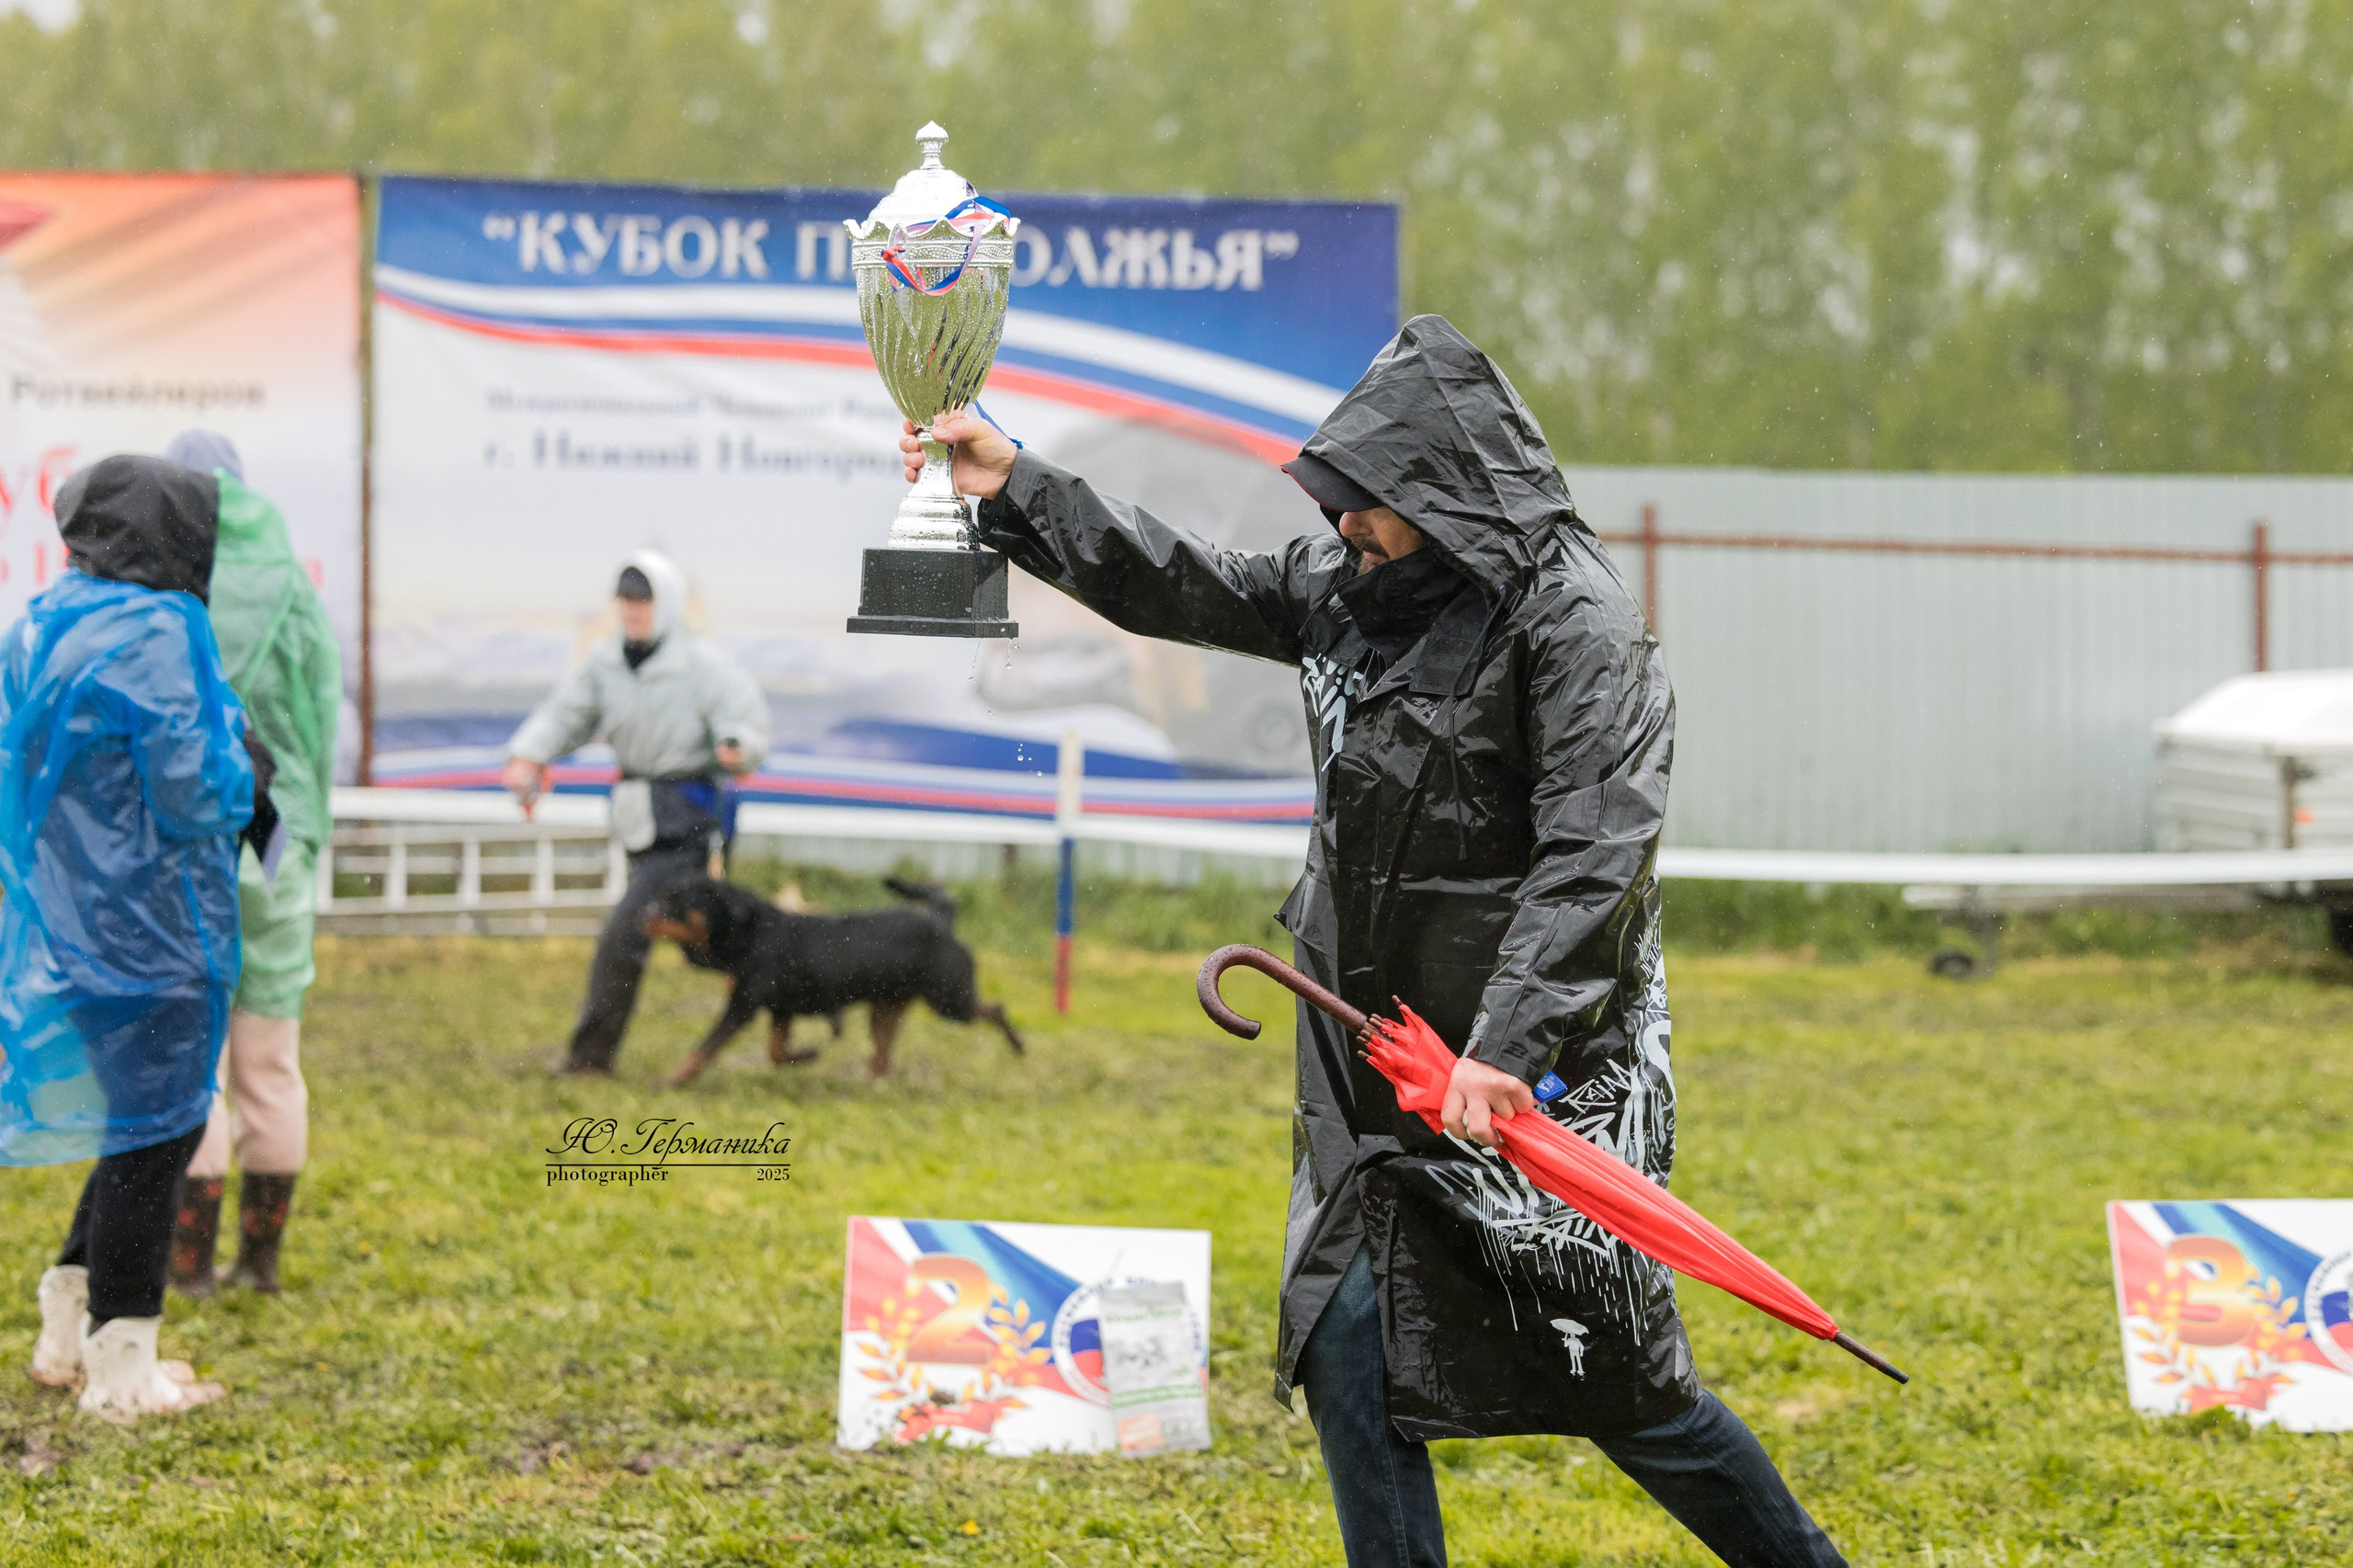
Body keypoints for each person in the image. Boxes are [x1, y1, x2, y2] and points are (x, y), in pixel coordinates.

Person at [905, 317, 1846, 1567]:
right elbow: (1188, 579)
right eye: (1340, 507)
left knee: (1624, 1387)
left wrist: (1504, 1049)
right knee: (1347, 1335)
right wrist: (1018, 483)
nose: (1347, 528)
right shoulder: (1353, 593)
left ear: (1444, 493)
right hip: (1369, 1065)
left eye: (1370, 506)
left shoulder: (1575, 628)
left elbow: (1597, 850)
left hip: (1542, 1079)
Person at [5, 454, 255, 1423]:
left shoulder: (42, 621)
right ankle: (122, 1370)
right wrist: (246, 752)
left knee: (133, 1125)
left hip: (68, 924)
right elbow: (197, 792)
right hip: (159, 927)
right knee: (162, 1132)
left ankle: (68, 1322)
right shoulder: (161, 629)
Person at [161, 430, 341, 1298]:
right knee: (268, 1054)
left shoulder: (156, 579)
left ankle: (186, 1264)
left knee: (194, 1057)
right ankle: (260, 1264)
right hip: (274, 835)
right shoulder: (289, 581)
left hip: (187, 831)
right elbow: (316, 715)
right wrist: (307, 821)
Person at [504, 551, 769, 1076]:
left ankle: (589, 1061)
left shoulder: (704, 665)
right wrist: (528, 755)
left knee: (627, 933)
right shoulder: (605, 663)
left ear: (665, 604)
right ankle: (795, 991)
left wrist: (737, 746)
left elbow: (745, 719)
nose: (634, 612)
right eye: (627, 602)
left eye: (644, 601)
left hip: (688, 819)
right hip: (639, 817)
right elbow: (566, 715)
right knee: (709, 946)